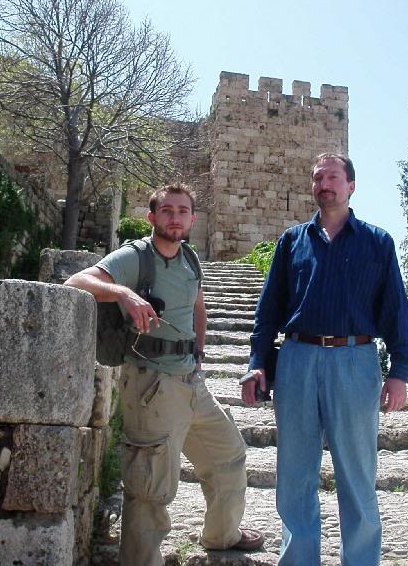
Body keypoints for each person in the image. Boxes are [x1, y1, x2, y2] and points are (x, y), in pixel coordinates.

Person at [65, 183, 264, 566]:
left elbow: (198, 308)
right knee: (150, 488)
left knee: (228, 456)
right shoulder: (135, 256)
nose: (175, 218)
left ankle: (223, 535)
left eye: (183, 211)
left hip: (191, 382)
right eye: (167, 211)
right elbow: (76, 281)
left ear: (192, 218)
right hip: (151, 385)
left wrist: (199, 354)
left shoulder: (190, 258)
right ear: (152, 217)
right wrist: (124, 293)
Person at [242, 154, 408, 565]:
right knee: (294, 473)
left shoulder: (377, 242)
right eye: (318, 178)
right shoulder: (291, 241)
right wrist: (258, 361)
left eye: (333, 177)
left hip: (355, 360)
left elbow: (396, 309)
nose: (325, 184)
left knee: (357, 473)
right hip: (297, 359)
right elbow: (269, 308)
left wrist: (399, 372)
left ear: (350, 185)